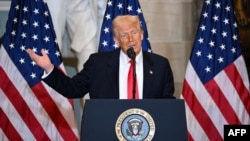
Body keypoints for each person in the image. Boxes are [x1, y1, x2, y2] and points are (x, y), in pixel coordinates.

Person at [26, 15, 175, 99]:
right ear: (116, 40)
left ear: (142, 35)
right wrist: (49, 68)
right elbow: (73, 89)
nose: (131, 39)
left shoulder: (160, 65)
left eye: (134, 33)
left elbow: (167, 105)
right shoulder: (98, 63)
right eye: (124, 35)